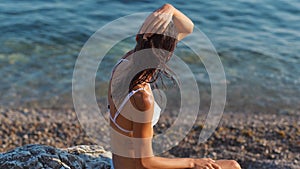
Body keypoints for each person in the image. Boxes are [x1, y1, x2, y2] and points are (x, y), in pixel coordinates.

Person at [108, 3, 241, 169]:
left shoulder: (124, 62)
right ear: (167, 54)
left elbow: (188, 27)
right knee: (232, 166)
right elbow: (146, 162)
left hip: (118, 164)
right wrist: (193, 162)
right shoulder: (142, 98)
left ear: (139, 38)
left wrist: (169, 8)